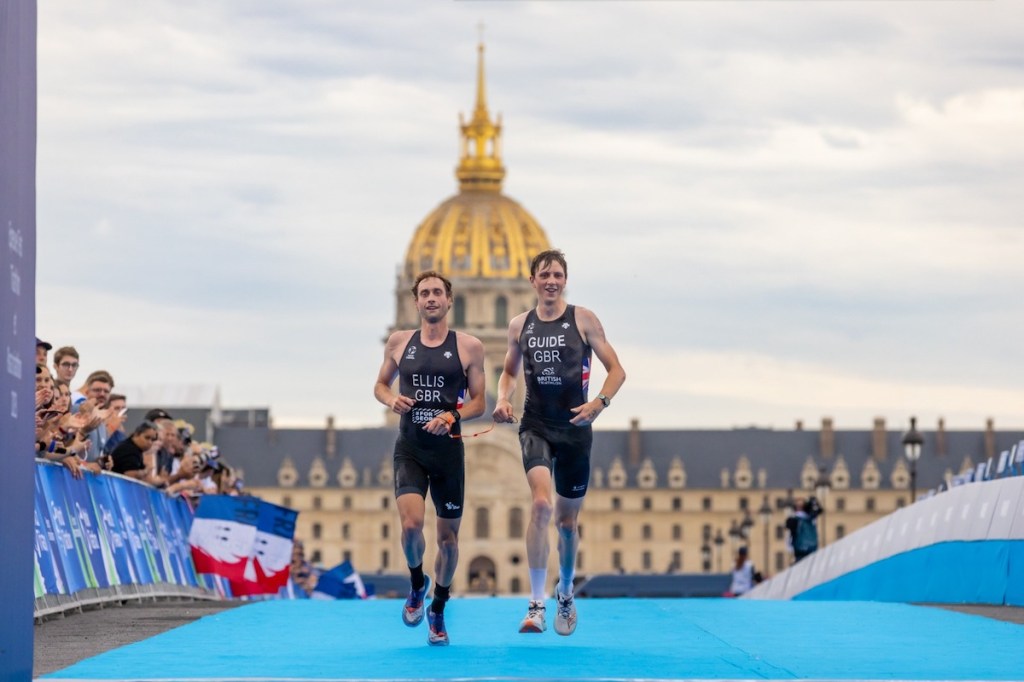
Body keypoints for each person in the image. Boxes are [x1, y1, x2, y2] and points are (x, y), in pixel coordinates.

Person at [493, 249, 626, 636]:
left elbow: (617, 370)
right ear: (532, 280)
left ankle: (564, 591)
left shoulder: (583, 320)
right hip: (535, 424)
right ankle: (536, 604)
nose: (551, 280)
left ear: (564, 280)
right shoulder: (520, 325)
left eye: (558, 274)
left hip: (574, 429)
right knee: (540, 504)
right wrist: (503, 398)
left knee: (567, 523)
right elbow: (507, 372)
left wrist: (598, 403)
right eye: (544, 274)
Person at [373, 271, 486, 646]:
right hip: (410, 448)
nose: (431, 298)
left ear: (450, 300)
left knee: (449, 541)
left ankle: (438, 606)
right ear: (416, 302)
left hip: (448, 451)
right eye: (424, 293)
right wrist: (391, 400)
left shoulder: (469, 346)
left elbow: (479, 403)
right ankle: (417, 582)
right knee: (410, 526)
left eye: (438, 292)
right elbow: (379, 385)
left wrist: (452, 415)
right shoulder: (399, 342)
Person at [785, 496, 822, 562]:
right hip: (810, 549)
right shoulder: (809, 519)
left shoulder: (797, 519)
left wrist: (790, 548)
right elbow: (818, 510)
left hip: (801, 550)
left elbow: (789, 536)